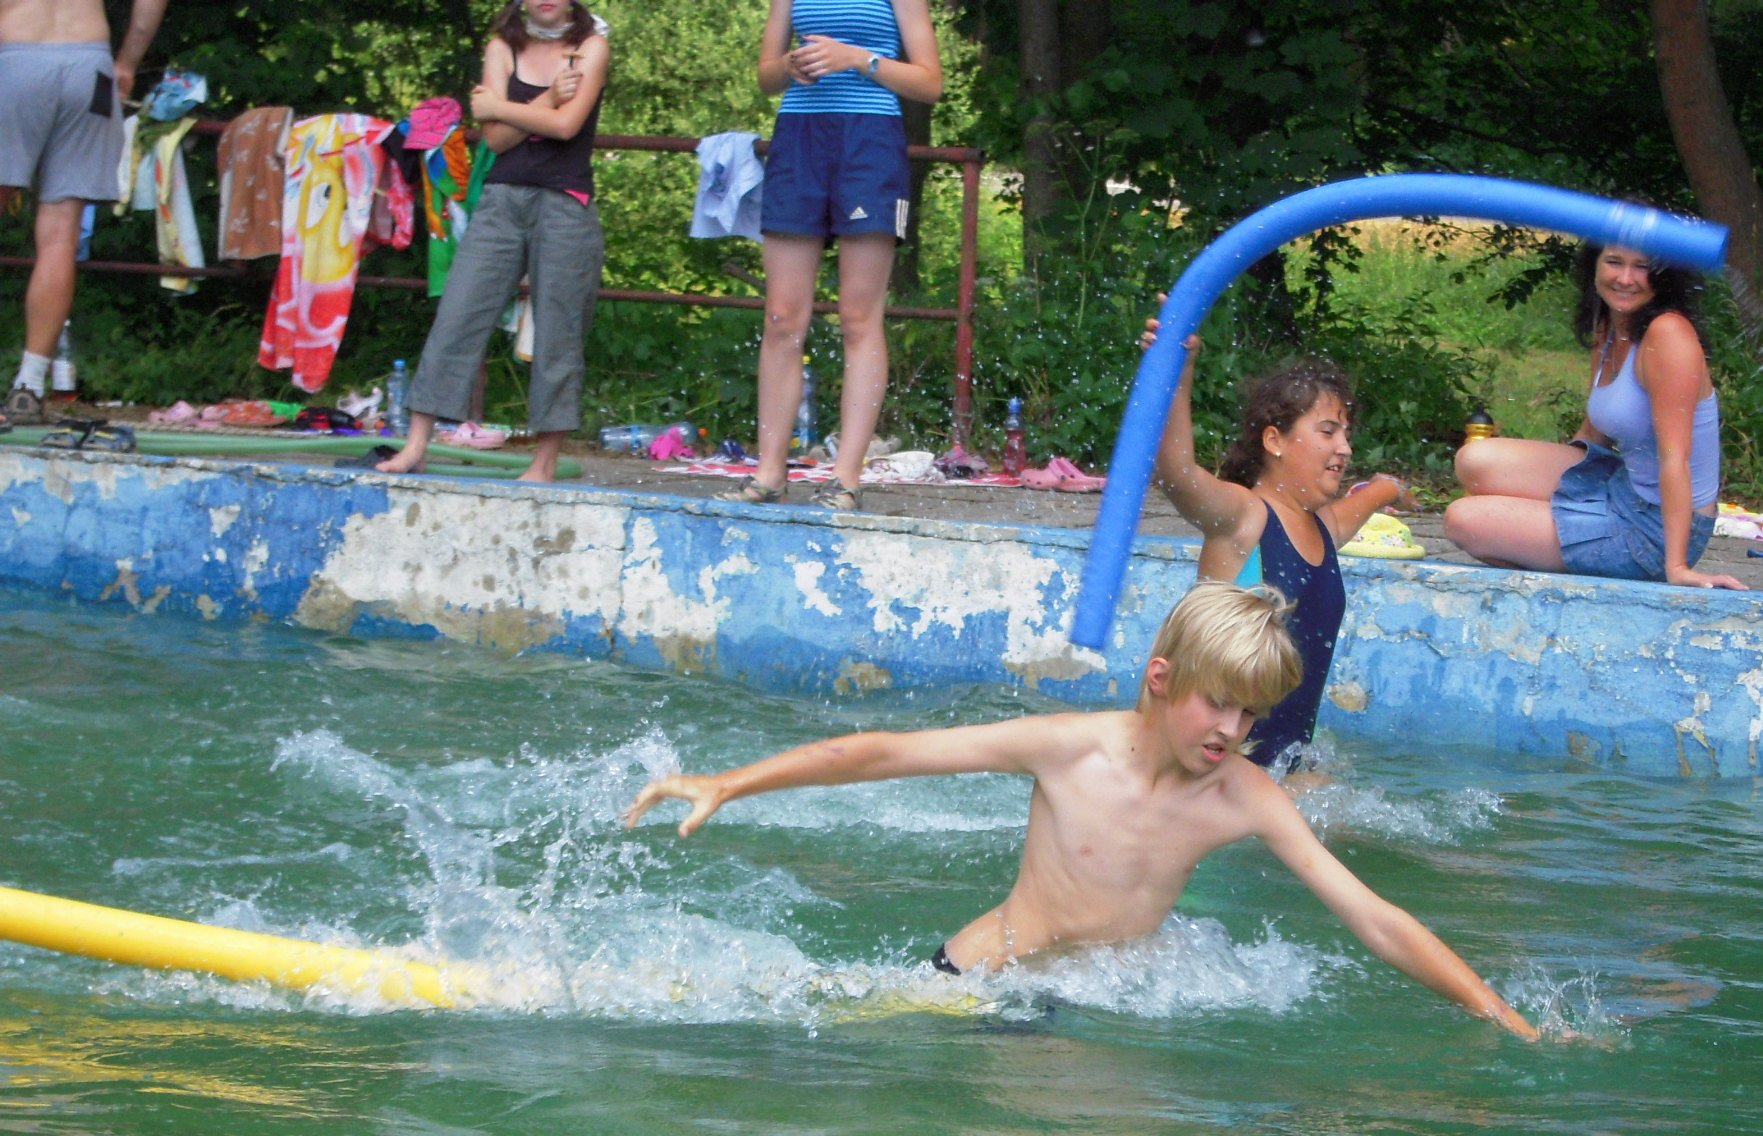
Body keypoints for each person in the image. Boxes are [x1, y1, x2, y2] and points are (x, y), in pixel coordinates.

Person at [625, 581, 1538, 1038]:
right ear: (1161, 678)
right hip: (978, 982)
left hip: (1094, 1002)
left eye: (1251, 714)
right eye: (1217, 704)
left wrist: (1495, 1011)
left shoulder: (1245, 797)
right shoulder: (1070, 748)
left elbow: (1372, 918)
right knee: (804, 1026)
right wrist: (730, 782)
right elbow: (888, 753)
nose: (1232, 730)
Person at [1150, 332, 1414, 772]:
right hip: (1206, 766)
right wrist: (1179, 370)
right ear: (1274, 440)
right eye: (1327, 431)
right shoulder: (1243, 518)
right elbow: (1176, 472)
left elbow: (1369, 497)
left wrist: (1392, 490)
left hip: (1278, 770)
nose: (1345, 448)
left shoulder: (1325, 527)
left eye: (1347, 434)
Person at [717, 0, 942, 511]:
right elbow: (766, 77)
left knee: (858, 317)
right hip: (799, 138)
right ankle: (770, 473)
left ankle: (845, 478)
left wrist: (858, 59)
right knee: (781, 316)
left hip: (870, 140)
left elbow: (930, 83)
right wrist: (788, 66)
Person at [376, 0, 608, 483]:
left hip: (566, 205)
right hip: (501, 201)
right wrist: (548, 99)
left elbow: (565, 126)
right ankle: (416, 446)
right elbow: (497, 141)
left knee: (559, 332)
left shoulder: (590, 47)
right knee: (458, 314)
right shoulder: (503, 47)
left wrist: (500, 109)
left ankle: (543, 464)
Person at [1444, 243, 1744, 590]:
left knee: (1464, 520)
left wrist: (1676, 567)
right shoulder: (1610, 325)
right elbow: (1592, 435)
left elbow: (1675, 459)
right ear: (1595, 265)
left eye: (1641, 266)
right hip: (1619, 485)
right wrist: (1548, 494)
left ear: (1663, 275)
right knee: (1474, 460)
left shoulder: (1668, 333)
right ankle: (1565, 536)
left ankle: (1579, 555)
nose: (1625, 279)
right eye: (1614, 262)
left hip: (1656, 530)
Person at [0, 0, 167, 426]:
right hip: (91, 70)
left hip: (13, 59)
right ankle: (29, 387)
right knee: (61, 236)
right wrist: (127, 62)